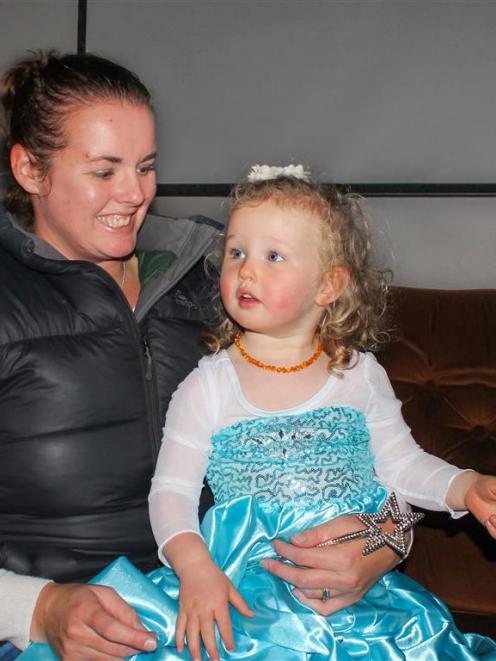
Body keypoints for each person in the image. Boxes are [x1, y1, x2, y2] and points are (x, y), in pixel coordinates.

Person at [0, 54, 401, 661]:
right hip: (74, 633)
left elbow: (369, 449)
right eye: (104, 170)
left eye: (146, 166)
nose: (134, 194)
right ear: (31, 168)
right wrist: (39, 608)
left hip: (248, 615)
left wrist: (385, 541)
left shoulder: (219, 272)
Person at [26, 165, 495, 660]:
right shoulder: (208, 384)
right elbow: (170, 495)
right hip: (241, 595)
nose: (247, 269)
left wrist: (467, 486)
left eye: (274, 256)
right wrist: (195, 571)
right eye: (236, 252)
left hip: (358, 597)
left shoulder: (360, 374)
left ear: (328, 285)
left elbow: (402, 466)